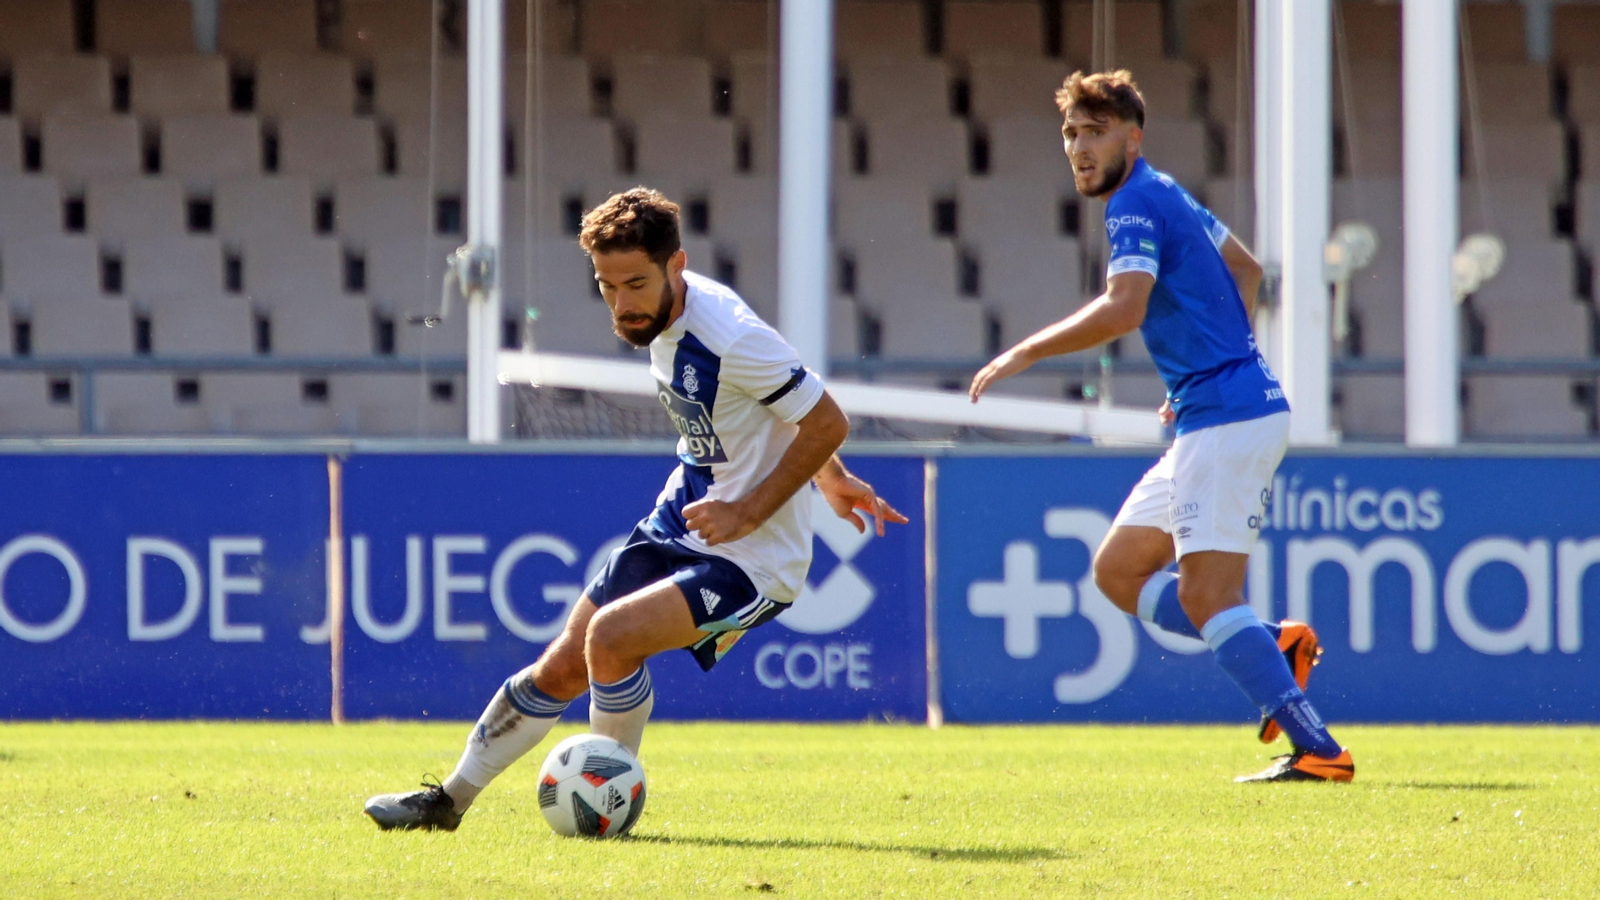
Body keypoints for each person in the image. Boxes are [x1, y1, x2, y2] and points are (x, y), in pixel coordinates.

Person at [365, 188, 909, 829]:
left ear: (676, 267)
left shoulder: (729, 336)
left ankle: (605, 805)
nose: (622, 304)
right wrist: (834, 478)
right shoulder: (662, 316)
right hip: (683, 515)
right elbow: (781, 413)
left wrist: (753, 511)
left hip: (755, 557)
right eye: (606, 285)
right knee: (566, 662)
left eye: (635, 283)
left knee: (612, 639)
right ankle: (447, 802)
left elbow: (826, 419)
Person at [969, 70, 1353, 783]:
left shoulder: (1133, 203)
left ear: (1132, 137)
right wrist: (1211, 363)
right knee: (1118, 571)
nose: (1079, 149)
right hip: (1215, 411)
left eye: (1095, 132)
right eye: (1070, 135)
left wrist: (1026, 349)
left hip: (1229, 418)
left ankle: (1321, 751)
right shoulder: (1165, 188)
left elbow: (1124, 309)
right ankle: (1278, 647)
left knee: (1207, 595)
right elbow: (1245, 269)